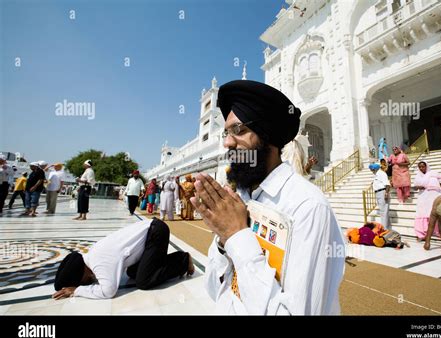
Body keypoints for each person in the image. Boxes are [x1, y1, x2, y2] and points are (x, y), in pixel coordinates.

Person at [191, 79, 345, 315]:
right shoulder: (238, 199)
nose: (227, 142)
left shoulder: (307, 206)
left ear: (267, 135)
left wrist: (237, 236)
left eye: (239, 130)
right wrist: (224, 241)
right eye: (226, 133)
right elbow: (215, 291)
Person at [52, 218, 195, 300]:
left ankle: (182, 260)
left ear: (81, 274)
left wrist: (76, 290)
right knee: (133, 273)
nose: (84, 283)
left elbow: (108, 291)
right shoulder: (92, 256)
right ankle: (175, 260)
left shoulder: (98, 262)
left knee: (143, 281)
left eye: (80, 281)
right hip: (149, 233)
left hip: (156, 232)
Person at [413, 161, 441, 241]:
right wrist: (419, 186)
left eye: (423, 166)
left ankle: (438, 231)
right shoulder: (418, 176)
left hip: (434, 196)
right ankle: (422, 233)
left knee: (434, 213)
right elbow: (414, 187)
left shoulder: (434, 173)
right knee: (423, 213)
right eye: (420, 167)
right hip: (423, 197)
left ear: (426, 166)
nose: (422, 168)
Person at [369, 163, 391, 229]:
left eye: (372, 169)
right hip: (378, 193)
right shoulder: (376, 175)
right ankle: (387, 228)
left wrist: (386, 193)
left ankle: (384, 229)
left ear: (374, 169)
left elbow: (387, 184)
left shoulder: (382, 173)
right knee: (383, 211)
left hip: (382, 192)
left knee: (384, 211)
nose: (371, 171)